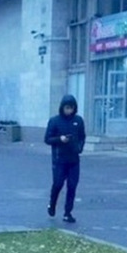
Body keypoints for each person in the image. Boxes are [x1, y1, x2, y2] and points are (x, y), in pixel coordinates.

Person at [44, 95, 86, 223]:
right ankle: (52, 204)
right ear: (62, 107)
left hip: (74, 160)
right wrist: (60, 139)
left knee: (72, 186)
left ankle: (68, 212)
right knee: (58, 184)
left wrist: (79, 147)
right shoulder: (55, 121)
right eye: (67, 108)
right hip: (59, 159)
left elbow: (82, 136)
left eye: (71, 108)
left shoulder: (78, 120)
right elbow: (47, 139)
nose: (69, 111)